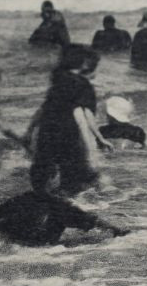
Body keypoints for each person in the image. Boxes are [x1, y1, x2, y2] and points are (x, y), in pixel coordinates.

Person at [30, 44, 111, 196]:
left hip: (47, 132)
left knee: (44, 175)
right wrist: (98, 139)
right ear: (85, 64)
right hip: (68, 133)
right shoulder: (83, 85)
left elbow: (43, 109)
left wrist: (29, 132)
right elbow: (85, 116)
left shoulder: (57, 81)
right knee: (77, 180)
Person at [0, 191, 127, 247]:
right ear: (53, 178)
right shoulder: (59, 206)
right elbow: (92, 220)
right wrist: (119, 231)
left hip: (14, 246)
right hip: (44, 250)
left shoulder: (18, 201)